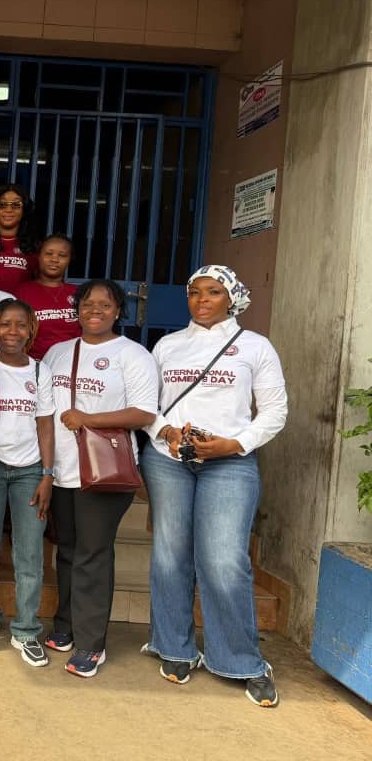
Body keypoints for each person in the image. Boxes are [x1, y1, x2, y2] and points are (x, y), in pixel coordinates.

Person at [141, 265, 287, 707]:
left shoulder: (255, 347)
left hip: (230, 462)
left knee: (224, 560)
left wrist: (233, 444)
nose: (201, 300)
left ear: (232, 298)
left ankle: (241, 660)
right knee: (170, 556)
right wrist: (167, 432)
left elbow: (275, 411)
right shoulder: (167, 345)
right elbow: (146, 406)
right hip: (168, 461)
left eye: (213, 292)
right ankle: (174, 646)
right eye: (194, 292)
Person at [42, 279, 158, 678]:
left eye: (105, 304)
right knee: (68, 550)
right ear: (76, 308)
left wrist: (89, 419)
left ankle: (92, 644)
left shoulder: (133, 354)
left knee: (93, 553)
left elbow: (144, 413)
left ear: (118, 311)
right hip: (61, 469)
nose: (95, 309)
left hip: (103, 472)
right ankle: (66, 626)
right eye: (87, 303)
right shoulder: (58, 352)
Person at [0, 299, 56, 669]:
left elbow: (45, 425)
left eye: (21, 324)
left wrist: (48, 474)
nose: (13, 331)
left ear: (31, 329)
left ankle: (26, 629)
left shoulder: (40, 371)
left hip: (29, 470)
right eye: (5, 324)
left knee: (29, 552)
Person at [16, 233, 80, 360]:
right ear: (39, 257)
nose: (54, 259)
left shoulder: (78, 293)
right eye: (49, 254)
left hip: (72, 363)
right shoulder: (23, 292)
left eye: (62, 255)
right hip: (35, 363)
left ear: (69, 259)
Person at [0, 184, 38, 295]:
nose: (9, 210)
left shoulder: (34, 247)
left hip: (19, 304)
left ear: (24, 211)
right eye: (3, 204)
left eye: (16, 205)